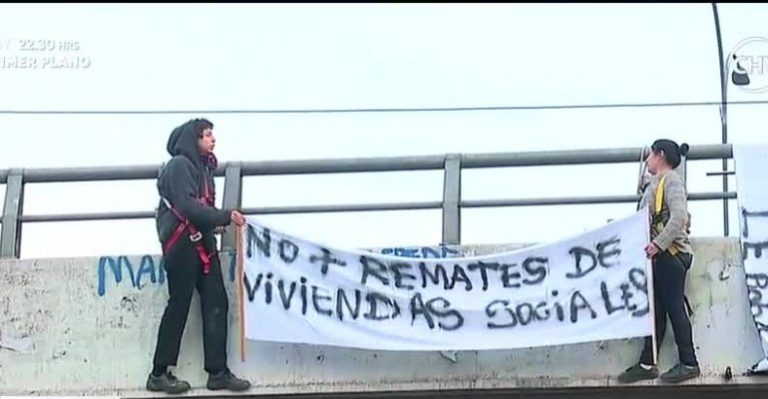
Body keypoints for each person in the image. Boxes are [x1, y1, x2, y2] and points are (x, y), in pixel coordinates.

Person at [146, 118, 250, 394]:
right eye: (207, 135)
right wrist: (225, 216)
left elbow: (201, 209)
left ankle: (218, 372)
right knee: (179, 305)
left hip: (202, 245)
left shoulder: (203, 169)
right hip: (182, 246)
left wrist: (217, 220)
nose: (212, 139)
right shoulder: (179, 166)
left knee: (217, 301)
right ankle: (159, 373)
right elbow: (188, 207)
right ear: (194, 140)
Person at [618, 139, 700, 384]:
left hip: (670, 255)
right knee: (657, 310)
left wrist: (658, 244)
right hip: (663, 255)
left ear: (660, 155)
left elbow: (679, 217)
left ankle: (689, 362)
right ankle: (648, 361)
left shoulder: (672, 181)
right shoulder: (657, 183)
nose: (647, 161)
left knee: (673, 307)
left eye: (650, 155)